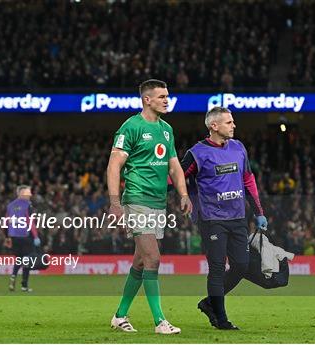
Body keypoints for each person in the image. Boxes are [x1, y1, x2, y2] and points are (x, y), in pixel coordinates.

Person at [107, 79, 192, 334]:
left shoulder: (166, 129)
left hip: (157, 203)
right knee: (153, 258)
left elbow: (174, 165)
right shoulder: (131, 126)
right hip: (136, 200)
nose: (167, 100)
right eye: (161, 96)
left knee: (142, 262)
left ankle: (120, 315)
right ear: (147, 99)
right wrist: (114, 203)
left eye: (167, 95)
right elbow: (114, 165)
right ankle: (160, 322)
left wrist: (184, 193)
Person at [181, 106, 267, 330]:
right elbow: (177, 177)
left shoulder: (238, 148)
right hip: (211, 219)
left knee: (241, 265)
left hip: (238, 217)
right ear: (214, 126)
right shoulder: (197, 153)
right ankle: (221, 319)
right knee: (217, 268)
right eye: (229, 122)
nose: (234, 125)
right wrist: (184, 196)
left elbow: (248, 180)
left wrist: (259, 212)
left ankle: (209, 303)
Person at [4, 185, 41, 292]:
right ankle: (24, 286)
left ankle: (13, 276)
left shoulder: (10, 206)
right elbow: (30, 222)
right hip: (26, 235)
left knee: (19, 258)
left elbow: (5, 223)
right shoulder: (27, 205)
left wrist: (7, 237)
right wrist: (36, 236)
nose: (30, 195)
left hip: (14, 236)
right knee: (27, 260)